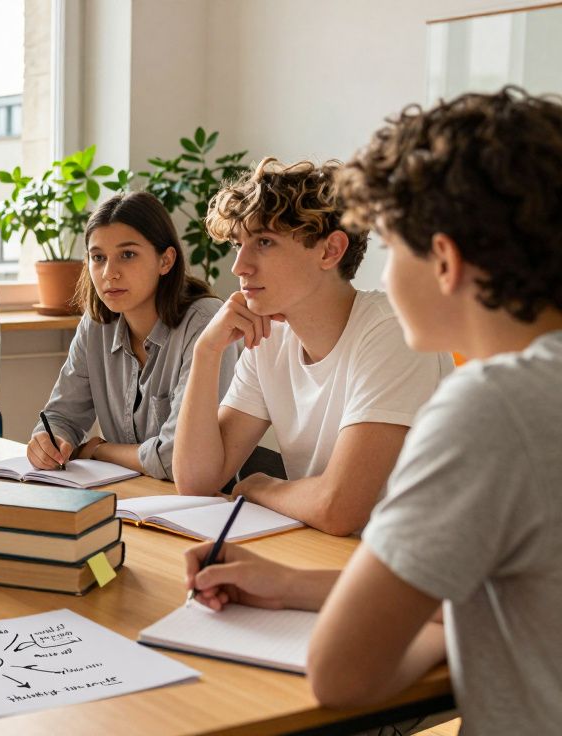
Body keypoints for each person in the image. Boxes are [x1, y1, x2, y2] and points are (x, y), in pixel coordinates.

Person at [184, 87, 562, 732]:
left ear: (443, 259)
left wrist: (446, 623)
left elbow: (343, 671)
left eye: (391, 246)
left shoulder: (493, 407)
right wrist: (290, 584)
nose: (382, 276)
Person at [172, 158, 452, 536]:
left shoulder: (391, 333)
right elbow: (197, 482)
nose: (239, 266)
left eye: (264, 242)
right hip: (333, 554)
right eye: (240, 244)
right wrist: (205, 352)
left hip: (418, 574)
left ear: (329, 251)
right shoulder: (269, 337)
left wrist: (262, 486)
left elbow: (339, 511)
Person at [26, 191, 237, 478]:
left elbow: (176, 457)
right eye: (98, 257)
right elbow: (61, 417)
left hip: (199, 505)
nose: (109, 273)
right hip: (126, 497)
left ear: (166, 261)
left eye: (127, 255)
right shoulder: (96, 324)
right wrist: (48, 442)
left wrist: (100, 450)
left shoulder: (205, 323)